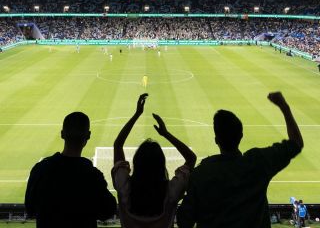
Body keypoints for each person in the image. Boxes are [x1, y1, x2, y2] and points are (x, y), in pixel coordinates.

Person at [177, 91, 303, 228]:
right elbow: (296, 143)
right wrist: (284, 107)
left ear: (216, 140)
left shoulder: (201, 174)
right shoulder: (258, 162)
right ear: (241, 135)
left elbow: (185, 221)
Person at [112, 94, 196, 228]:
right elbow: (191, 158)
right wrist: (165, 133)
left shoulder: (124, 188)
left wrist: (137, 114)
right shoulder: (171, 192)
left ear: (137, 163)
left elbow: (117, 145)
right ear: (161, 164)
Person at [25, 112, 116, 228]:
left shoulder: (40, 169)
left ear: (62, 134)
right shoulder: (93, 175)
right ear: (88, 135)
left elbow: (30, 209)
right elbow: (107, 211)